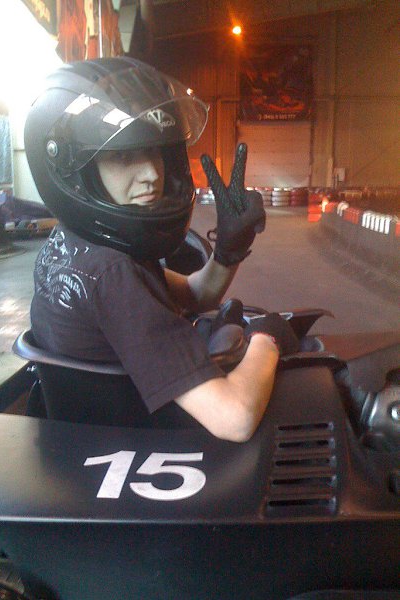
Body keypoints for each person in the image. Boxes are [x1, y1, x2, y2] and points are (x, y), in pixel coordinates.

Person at [25, 57, 299, 442]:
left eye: (154, 151)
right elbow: (234, 418)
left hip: (90, 424)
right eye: (123, 156)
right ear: (75, 171)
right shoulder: (113, 276)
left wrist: (228, 252)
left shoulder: (76, 245)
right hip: (137, 435)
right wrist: (267, 339)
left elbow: (196, 294)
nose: (152, 174)